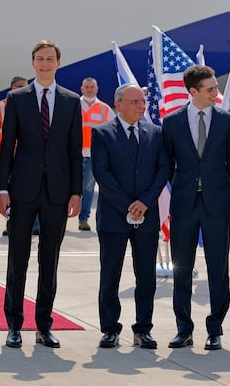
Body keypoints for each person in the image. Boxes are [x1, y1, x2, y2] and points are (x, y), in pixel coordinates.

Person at [0, 40, 82, 349]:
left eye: (50, 59)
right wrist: (1, 188)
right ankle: (14, 325)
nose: (45, 64)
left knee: (50, 260)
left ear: (58, 63)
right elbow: (7, 147)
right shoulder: (16, 99)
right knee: (17, 259)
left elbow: (75, 151)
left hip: (58, 194)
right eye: (40, 59)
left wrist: (76, 191)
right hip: (22, 190)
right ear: (32, 63)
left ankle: (44, 325)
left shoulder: (71, 101)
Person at [161, 65, 230, 351]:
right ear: (192, 92)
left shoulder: (227, 121)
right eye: (209, 90)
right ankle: (184, 329)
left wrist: (213, 186)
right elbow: (168, 164)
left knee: (218, 268)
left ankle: (215, 329)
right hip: (184, 205)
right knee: (182, 270)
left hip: (216, 205)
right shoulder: (172, 122)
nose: (215, 94)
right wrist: (187, 186)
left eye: (215, 88)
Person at [91, 84, 170, 350]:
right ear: (119, 104)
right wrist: (128, 204)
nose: (141, 105)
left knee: (145, 276)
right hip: (114, 216)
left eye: (142, 101)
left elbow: (163, 169)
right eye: (135, 101)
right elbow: (102, 173)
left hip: (146, 216)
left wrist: (144, 202)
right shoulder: (102, 133)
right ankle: (110, 329)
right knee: (110, 275)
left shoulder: (156, 134)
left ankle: (143, 329)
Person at [0, 76, 28, 237]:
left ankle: (32, 225)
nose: (23, 89)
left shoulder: (33, 105)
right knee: (10, 193)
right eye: (20, 86)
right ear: (12, 88)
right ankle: (11, 222)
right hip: (7, 158)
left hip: (26, 158)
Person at [78, 77, 112, 232]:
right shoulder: (73, 105)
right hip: (73, 154)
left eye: (92, 87)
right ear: (82, 88)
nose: (89, 89)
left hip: (93, 155)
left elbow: (113, 131)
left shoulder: (105, 109)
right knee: (65, 187)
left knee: (88, 188)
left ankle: (83, 219)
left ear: (97, 89)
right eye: (87, 87)